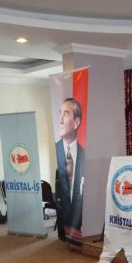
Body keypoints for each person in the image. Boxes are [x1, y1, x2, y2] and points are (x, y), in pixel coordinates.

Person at [55, 97, 85, 234]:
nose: (60, 120)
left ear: (76, 122)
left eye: (66, 114)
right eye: (60, 113)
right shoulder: (56, 150)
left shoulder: (84, 155)